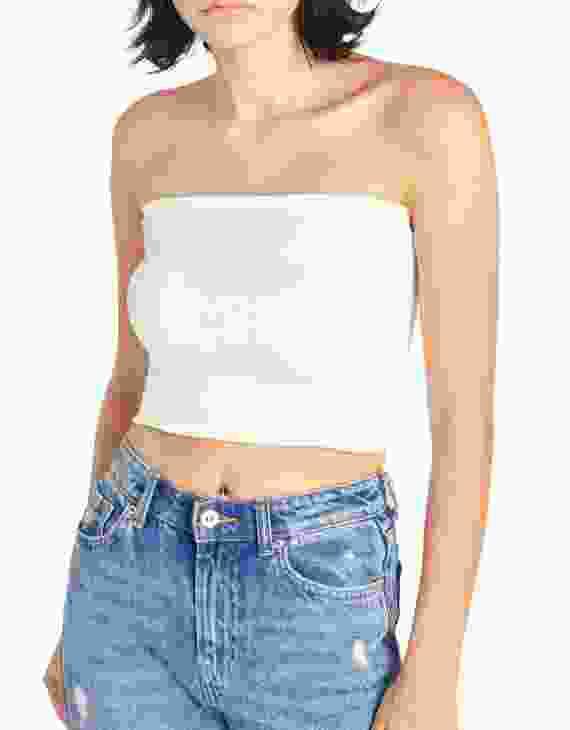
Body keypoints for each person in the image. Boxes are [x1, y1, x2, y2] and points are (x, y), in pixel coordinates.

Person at [43, 1, 498, 729]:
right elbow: (131, 375)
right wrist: (75, 605)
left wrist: (437, 664)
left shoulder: (428, 120)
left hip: (315, 591)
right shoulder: (144, 135)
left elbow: (462, 419)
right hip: (127, 576)